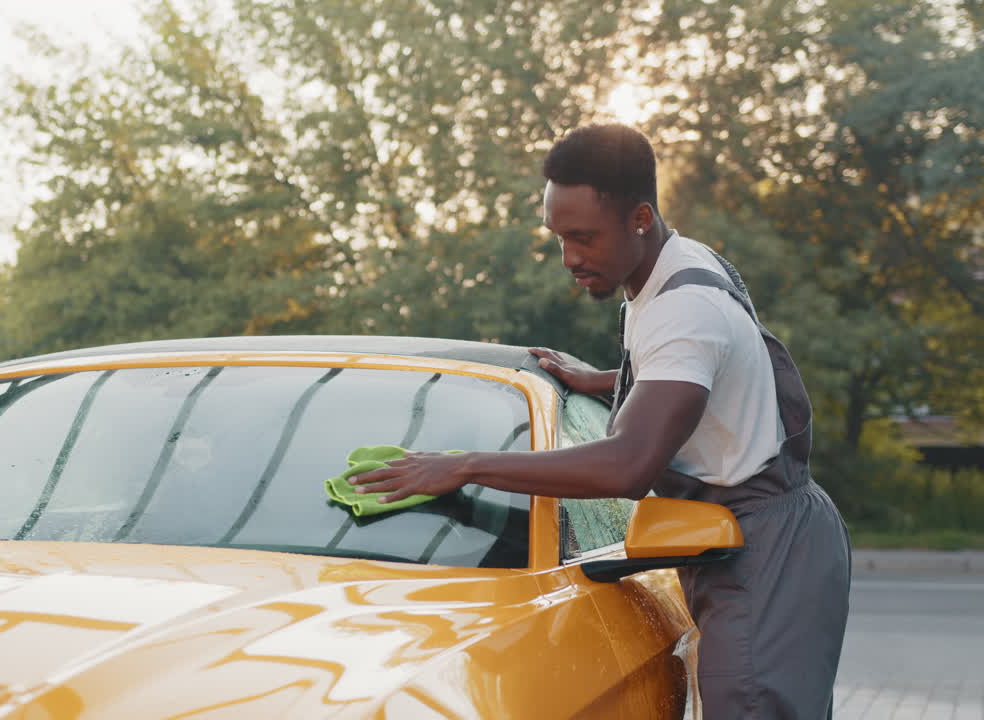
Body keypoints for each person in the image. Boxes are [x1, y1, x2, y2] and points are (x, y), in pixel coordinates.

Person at [351, 123, 851, 718]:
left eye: (584, 237)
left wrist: (462, 466)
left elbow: (627, 466)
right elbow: (708, 373)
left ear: (640, 217)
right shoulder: (674, 264)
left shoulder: (683, 310)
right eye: (558, 237)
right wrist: (609, 381)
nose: (570, 258)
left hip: (769, 551)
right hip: (765, 541)